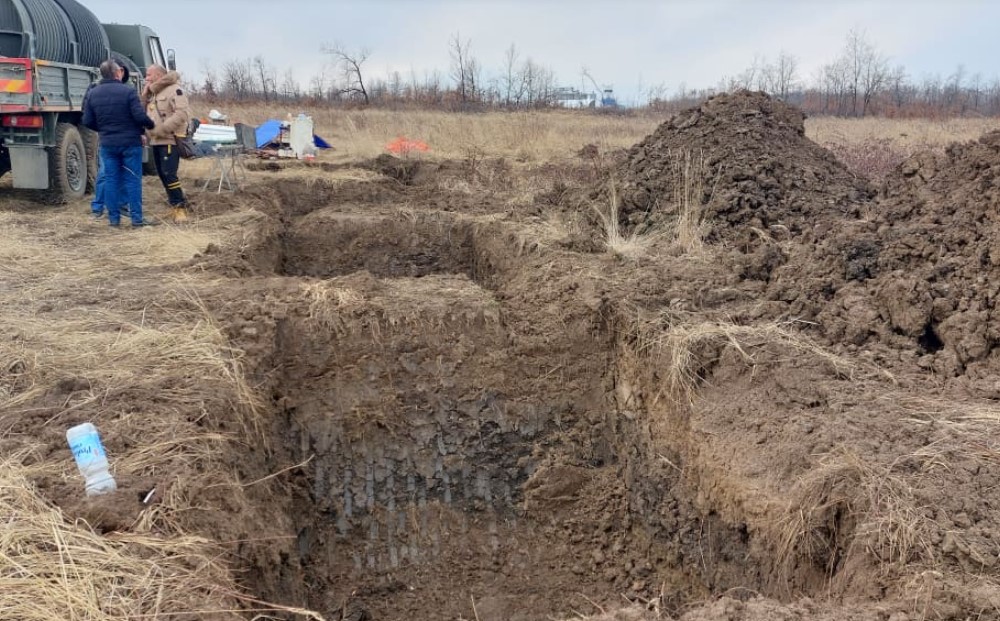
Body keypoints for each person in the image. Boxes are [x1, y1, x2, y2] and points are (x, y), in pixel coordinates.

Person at [82, 60, 156, 228]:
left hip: (108, 144)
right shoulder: (128, 91)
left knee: (110, 180)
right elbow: (139, 116)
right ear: (118, 73)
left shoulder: (93, 93)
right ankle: (136, 219)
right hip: (130, 143)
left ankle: (114, 220)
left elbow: (87, 120)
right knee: (133, 180)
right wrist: (150, 125)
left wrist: (103, 129)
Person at [143, 64, 191, 223]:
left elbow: (182, 114)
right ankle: (174, 204)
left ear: (158, 75)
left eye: (149, 75)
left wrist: (163, 129)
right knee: (163, 175)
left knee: (169, 174)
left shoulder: (174, 90)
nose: (146, 78)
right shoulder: (154, 93)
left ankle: (180, 209)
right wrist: (144, 95)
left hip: (169, 140)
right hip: (156, 141)